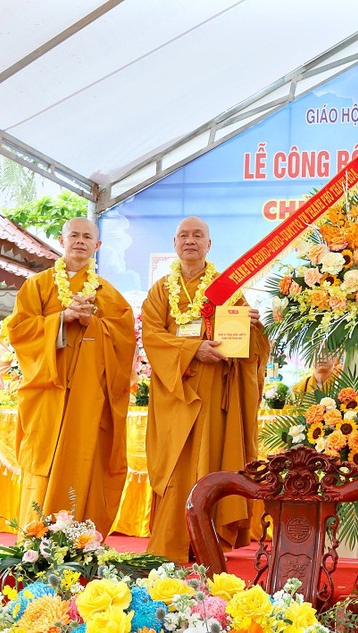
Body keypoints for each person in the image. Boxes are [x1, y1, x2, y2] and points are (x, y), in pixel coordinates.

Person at [142, 216, 270, 563]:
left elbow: (246, 348)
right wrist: (192, 349)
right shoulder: (160, 292)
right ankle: (171, 542)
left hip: (215, 396)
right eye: (184, 235)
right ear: (174, 243)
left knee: (211, 462)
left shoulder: (227, 290)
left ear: (209, 245)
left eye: (198, 235)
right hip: (176, 394)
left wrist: (253, 329)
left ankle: (208, 543)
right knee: (176, 467)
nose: (190, 241)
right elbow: (152, 337)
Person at [9, 218, 135, 533]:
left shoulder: (110, 295)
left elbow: (125, 341)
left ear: (97, 246)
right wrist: (61, 319)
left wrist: (93, 323)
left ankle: (82, 537)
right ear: (62, 241)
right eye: (74, 236)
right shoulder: (37, 285)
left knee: (86, 460)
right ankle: (37, 536)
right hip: (48, 393)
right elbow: (20, 330)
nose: (80, 241)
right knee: (45, 461)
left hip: (89, 400)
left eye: (87, 237)